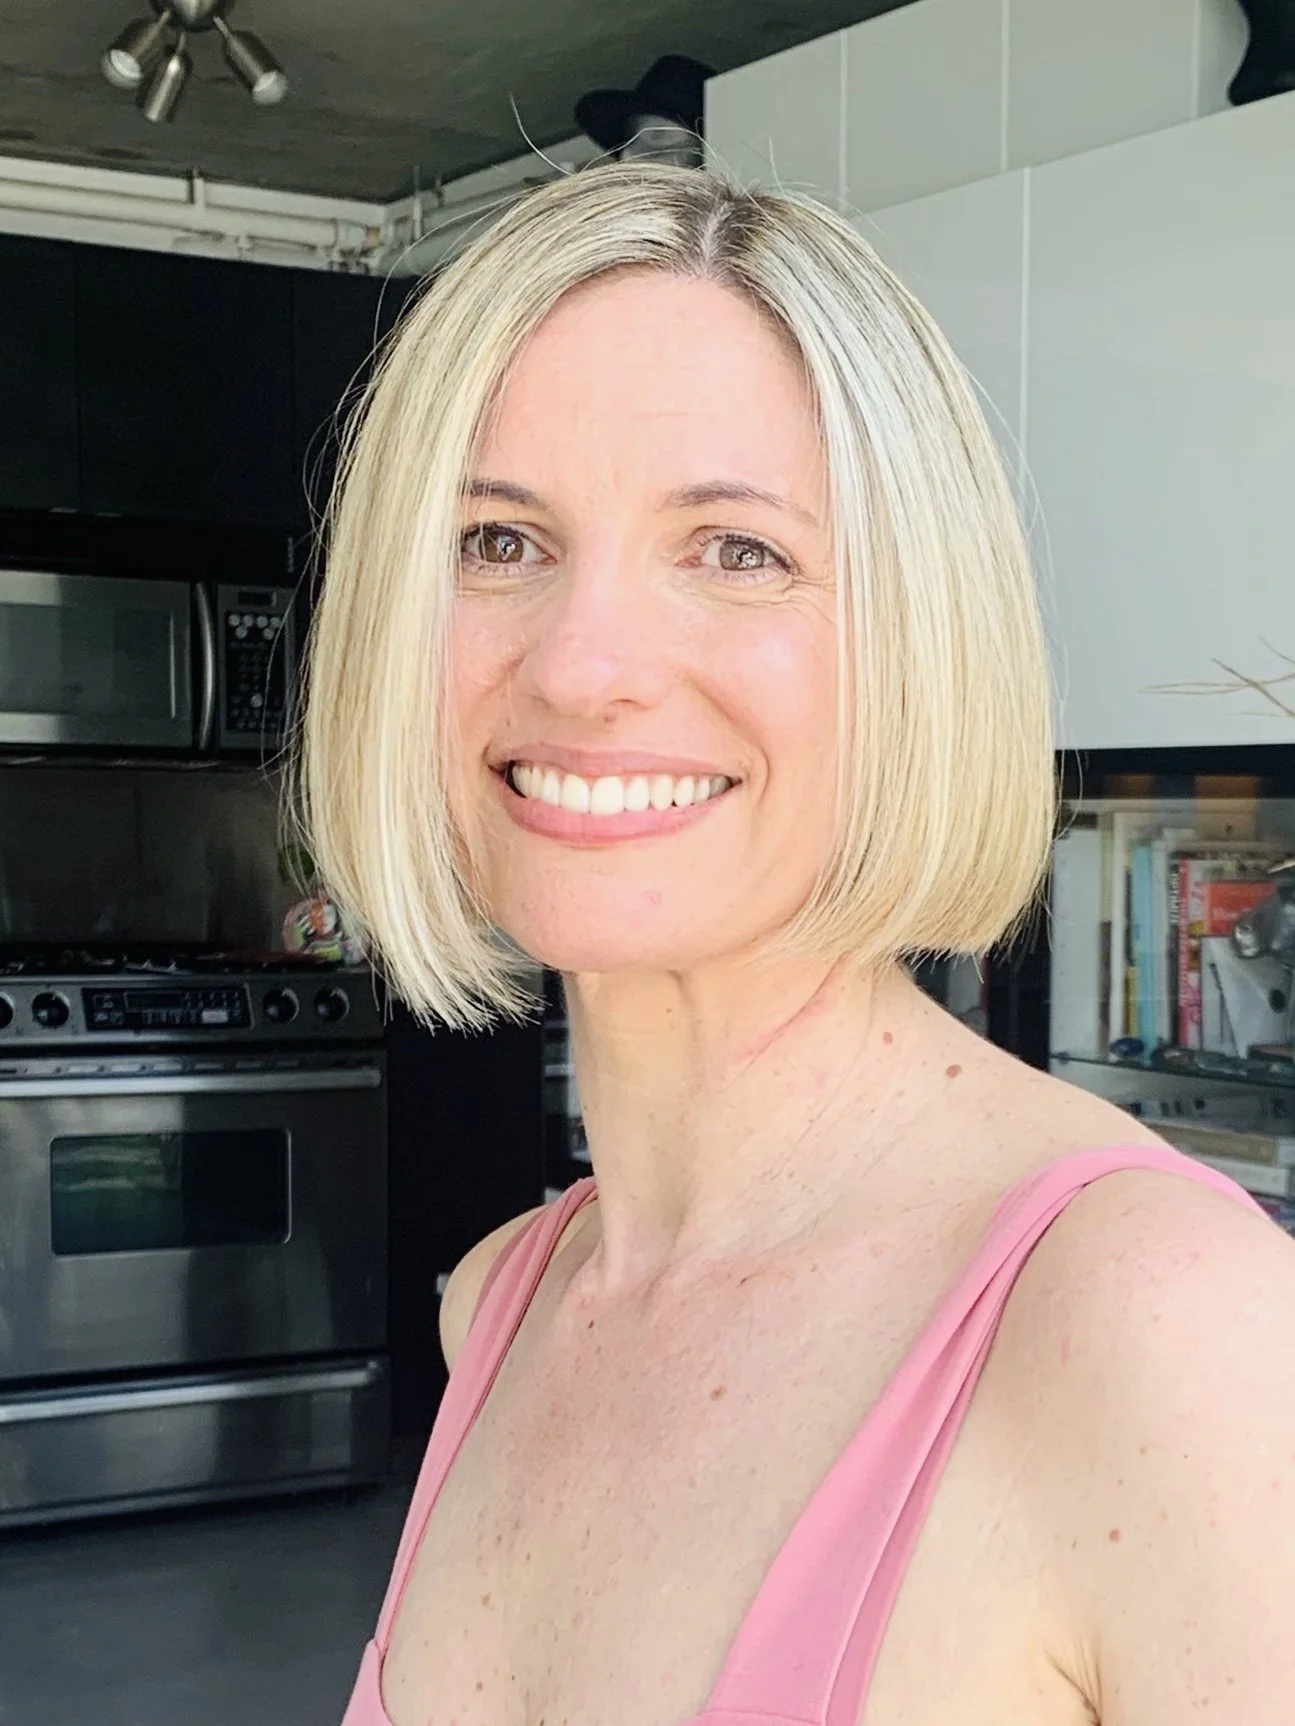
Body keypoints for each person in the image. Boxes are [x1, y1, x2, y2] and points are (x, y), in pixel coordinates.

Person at [300, 164, 1295, 1726]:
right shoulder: (500, 1304)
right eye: (497, 539)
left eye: (735, 549)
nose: (582, 663)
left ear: (911, 638)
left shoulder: (1163, 1330)